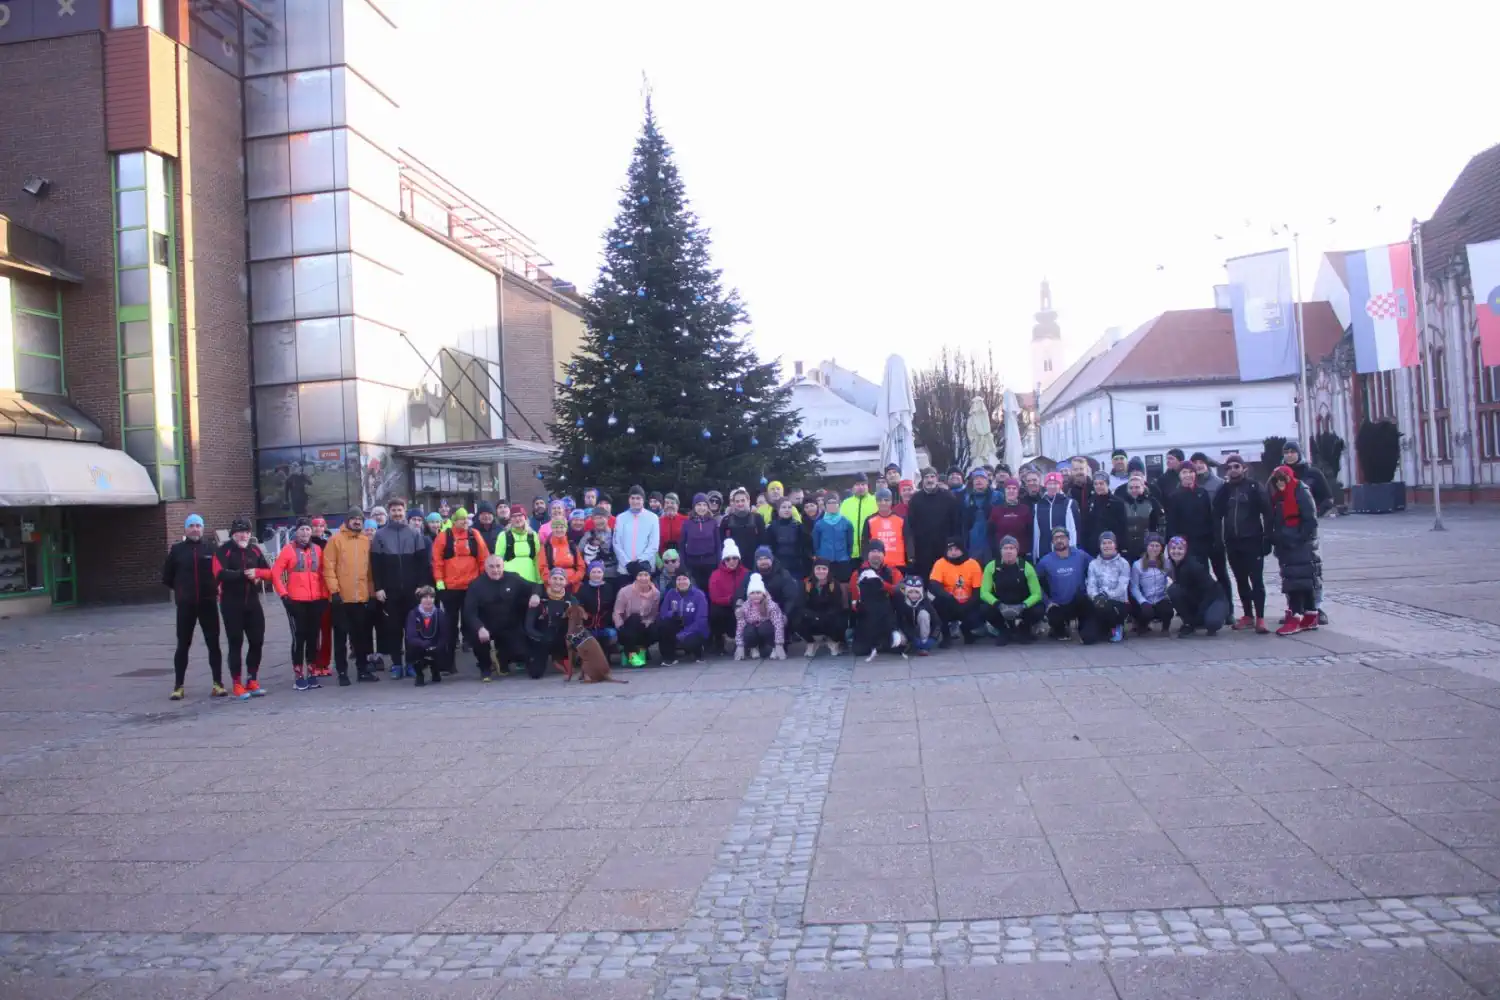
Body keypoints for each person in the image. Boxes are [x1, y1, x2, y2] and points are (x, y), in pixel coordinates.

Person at [163, 514, 225, 700]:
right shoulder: (177, 550)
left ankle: (217, 684)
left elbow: (220, 573)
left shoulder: (211, 548)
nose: (195, 529)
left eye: (198, 525)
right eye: (192, 525)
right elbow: (168, 577)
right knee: (183, 645)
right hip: (186, 605)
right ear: (186, 529)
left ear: (203, 528)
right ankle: (178, 686)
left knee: (213, 644)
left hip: (208, 604)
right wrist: (182, 591)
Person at [1213, 453, 1273, 633]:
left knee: (1256, 580)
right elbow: (1216, 514)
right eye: (1229, 467)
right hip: (1232, 542)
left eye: (1236, 466)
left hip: (1252, 540)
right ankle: (1247, 614)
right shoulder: (1225, 490)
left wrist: (1267, 538)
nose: (1233, 470)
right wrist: (1219, 538)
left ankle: (1260, 617)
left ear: (1244, 468)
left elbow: (1268, 513)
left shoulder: (1254, 487)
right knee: (1240, 580)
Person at [1164, 465, 1230, 625]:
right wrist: (1173, 546)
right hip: (1184, 546)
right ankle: (1190, 616)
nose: (1188, 475)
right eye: (1184, 472)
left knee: (1204, 579)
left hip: (1203, 543)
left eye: (1191, 472)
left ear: (1195, 475)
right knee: (1185, 581)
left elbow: (1210, 518)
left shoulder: (1202, 493)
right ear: (1180, 476)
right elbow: (1171, 523)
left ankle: (1207, 612)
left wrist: (1214, 540)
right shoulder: (1174, 496)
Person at [214, 516, 272, 700]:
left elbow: (269, 571)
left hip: (253, 603)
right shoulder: (224, 551)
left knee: (257, 641)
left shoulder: (254, 549)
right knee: (235, 643)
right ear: (233, 534)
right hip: (231, 604)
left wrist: (258, 574)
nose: (243, 535)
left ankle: (252, 679)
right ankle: (237, 683)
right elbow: (219, 573)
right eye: (239, 532)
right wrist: (243, 575)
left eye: (246, 531)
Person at [371, 497, 427, 680]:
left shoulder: (414, 534)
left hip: (412, 590)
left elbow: (422, 563)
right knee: (393, 629)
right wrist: (378, 588)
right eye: (393, 510)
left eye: (400, 510)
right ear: (389, 512)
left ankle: (411, 663)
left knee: (412, 629)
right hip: (390, 591)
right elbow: (376, 565)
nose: (397, 513)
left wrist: (421, 585)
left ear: (405, 511)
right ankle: (396, 664)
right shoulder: (380, 535)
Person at [271, 518, 329, 691]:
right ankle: (298, 675)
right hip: (295, 601)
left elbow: (324, 573)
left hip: (316, 600)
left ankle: (312, 671)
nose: (305, 533)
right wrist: (284, 595)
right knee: (299, 638)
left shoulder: (317, 550)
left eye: (307, 529)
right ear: (296, 532)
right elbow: (275, 573)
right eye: (302, 529)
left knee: (313, 638)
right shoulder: (288, 550)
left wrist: (325, 596)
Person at [321, 509, 377, 686]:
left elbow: (369, 571)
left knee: (361, 637)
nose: (356, 522)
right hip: (341, 598)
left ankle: (362, 670)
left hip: (360, 597)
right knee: (340, 638)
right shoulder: (335, 540)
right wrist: (334, 591)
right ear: (347, 521)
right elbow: (328, 567)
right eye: (353, 519)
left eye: (359, 519)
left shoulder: (365, 541)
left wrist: (371, 593)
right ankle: (342, 672)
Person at [431, 507, 489, 674]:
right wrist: (439, 581)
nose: (464, 522)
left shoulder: (474, 535)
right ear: (454, 520)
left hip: (471, 587)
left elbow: (483, 558)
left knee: (472, 623)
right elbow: (437, 560)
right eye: (461, 519)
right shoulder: (444, 536)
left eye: (466, 519)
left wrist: (482, 581)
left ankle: (482, 662)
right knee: (449, 626)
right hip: (450, 588)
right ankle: (447, 664)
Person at [1281, 440, 1333, 624]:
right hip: (1287, 530)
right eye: (1286, 452)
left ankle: (1316, 608)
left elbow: (1328, 499)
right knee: (1290, 571)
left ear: (1299, 453)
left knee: (1312, 569)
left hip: (1309, 530)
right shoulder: (1280, 474)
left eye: (1292, 451)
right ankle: (1294, 609)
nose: (1289, 455)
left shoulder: (1312, 474)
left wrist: (1312, 515)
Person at [464, 554, 537, 679]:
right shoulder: (476, 585)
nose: (495, 570)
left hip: (509, 625)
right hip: (486, 626)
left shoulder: (513, 578)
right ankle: (485, 667)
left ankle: (502, 660)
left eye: (498, 566)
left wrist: (535, 595)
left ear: (503, 566)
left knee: (521, 651)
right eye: (491, 567)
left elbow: (535, 586)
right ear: (485, 568)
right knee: (477, 638)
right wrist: (480, 627)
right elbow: (469, 612)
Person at [1269, 464, 1321, 636]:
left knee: (1297, 583)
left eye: (1283, 480)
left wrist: (1296, 539)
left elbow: (1310, 521)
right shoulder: (1279, 497)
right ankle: (1310, 615)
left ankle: (1296, 616)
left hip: (1299, 545)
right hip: (1286, 545)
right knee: (1300, 580)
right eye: (1277, 481)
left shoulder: (1300, 491)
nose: (1280, 484)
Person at [981, 535, 1044, 645]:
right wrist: (999, 605)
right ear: (1000, 551)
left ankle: (1024, 628)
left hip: (1022, 605)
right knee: (984, 608)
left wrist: (1023, 606)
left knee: (1039, 609)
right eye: (1005, 548)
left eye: (1012, 548)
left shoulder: (1027, 567)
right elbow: (984, 593)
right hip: (1001, 605)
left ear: (1017, 551)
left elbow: (1037, 594)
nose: (1008, 551)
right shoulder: (991, 567)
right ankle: (1003, 630)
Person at [849, 540, 903, 660]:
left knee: (898, 648)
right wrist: (858, 607)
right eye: (872, 551)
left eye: (879, 551)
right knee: (859, 650)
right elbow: (853, 597)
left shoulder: (893, 571)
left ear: (884, 554)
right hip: (868, 616)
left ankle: (889, 636)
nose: (875, 554)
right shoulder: (857, 573)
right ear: (867, 555)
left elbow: (901, 590)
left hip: (888, 615)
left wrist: (881, 584)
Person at [907, 467, 964, 578]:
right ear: (922, 480)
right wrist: (912, 551)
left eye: (932, 477)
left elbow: (956, 524)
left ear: (937, 479)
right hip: (922, 550)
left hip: (944, 548)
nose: (930, 480)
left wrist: (953, 546)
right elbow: (910, 526)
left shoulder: (948, 497)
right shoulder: (915, 499)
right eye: (926, 477)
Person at [1165, 535, 1227, 637]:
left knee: (1212, 623)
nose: (1176, 551)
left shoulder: (1193, 566)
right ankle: (1188, 622)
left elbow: (1210, 592)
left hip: (1214, 598)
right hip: (1195, 596)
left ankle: (1205, 618)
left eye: (1180, 548)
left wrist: (1200, 614)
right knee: (1173, 590)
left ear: (1185, 550)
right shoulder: (1171, 564)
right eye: (1173, 548)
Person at [927, 538, 985, 646]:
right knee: (936, 603)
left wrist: (967, 605)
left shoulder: (973, 564)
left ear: (963, 549)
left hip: (968, 602)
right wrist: (949, 598)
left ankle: (967, 631)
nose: (953, 552)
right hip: (949, 602)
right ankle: (946, 636)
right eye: (950, 549)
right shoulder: (940, 563)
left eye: (956, 549)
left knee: (983, 609)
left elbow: (977, 590)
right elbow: (934, 585)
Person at [1037, 526, 1091, 640]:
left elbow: (1096, 567)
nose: (1059, 540)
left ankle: (1084, 628)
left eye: (1062, 537)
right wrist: (1047, 602)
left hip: (1078, 602)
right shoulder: (1045, 561)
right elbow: (1034, 582)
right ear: (1052, 541)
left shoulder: (1081, 555)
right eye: (1056, 538)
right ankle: (1059, 629)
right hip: (1058, 604)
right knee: (1055, 618)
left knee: (1088, 633)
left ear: (1068, 539)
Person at [524, 566, 575, 679]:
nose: (558, 582)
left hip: (561, 639)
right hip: (542, 639)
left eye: (561, 579)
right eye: (555, 578)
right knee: (535, 674)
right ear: (549, 580)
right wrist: (541, 639)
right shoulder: (538, 599)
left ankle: (560, 657)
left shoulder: (570, 600)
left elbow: (577, 624)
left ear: (566, 582)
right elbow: (528, 626)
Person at [1084, 531, 1130, 644]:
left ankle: (1117, 625)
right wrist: (1095, 597)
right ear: (1100, 546)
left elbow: (1122, 587)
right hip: (1098, 602)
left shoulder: (1123, 563)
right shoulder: (1093, 564)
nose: (1107, 546)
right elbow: (1091, 584)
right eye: (1104, 543)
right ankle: (1102, 628)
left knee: (1108, 607)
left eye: (1110, 542)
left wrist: (1106, 595)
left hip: (1117, 603)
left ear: (1115, 545)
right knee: (1087, 638)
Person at [657, 568, 709, 665]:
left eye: (684, 579)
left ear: (690, 580)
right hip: (677, 626)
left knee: (691, 640)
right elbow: (663, 614)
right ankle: (668, 657)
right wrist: (672, 613)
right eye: (679, 579)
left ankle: (698, 653)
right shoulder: (671, 593)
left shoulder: (698, 595)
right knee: (664, 625)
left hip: (694, 628)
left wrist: (683, 634)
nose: (681, 582)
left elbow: (701, 619)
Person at [613, 561, 660, 667]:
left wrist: (649, 621)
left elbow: (654, 613)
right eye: (640, 575)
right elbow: (617, 612)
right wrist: (620, 626)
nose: (643, 578)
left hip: (644, 625)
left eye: (646, 575)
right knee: (635, 618)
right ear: (635, 577)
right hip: (628, 626)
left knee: (656, 629)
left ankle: (642, 648)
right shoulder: (624, 591)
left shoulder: (656, 593)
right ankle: (630, 652)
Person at [801, 559, 848, 657]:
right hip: (812, 616)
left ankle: (833, 641)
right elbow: (802, 604)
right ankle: (811, 642)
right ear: (813, 570)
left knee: (841, 620)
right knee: (797, 619)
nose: (821, 571)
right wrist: (814, 616)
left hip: (829, 616)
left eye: (824, 569)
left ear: (828, 570)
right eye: (818, 568)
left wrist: (823, 617)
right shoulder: (807, 583)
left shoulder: (834, 584)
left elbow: (837, 605)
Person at [734, 573, 787, 660]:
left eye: (758, 593)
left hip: (767, 627)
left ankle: (774, 647)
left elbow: (778, 625)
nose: (755, 595)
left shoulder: (771, 606)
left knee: (765, 628)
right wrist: (739, 645)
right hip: (753, 629)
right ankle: (753, 647)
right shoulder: (745, 607)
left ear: (763, 594)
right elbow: (740, 626)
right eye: (752, 593)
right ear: (749, 595)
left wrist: (779, 644)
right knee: (748, 631)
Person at [708, 540, 748, 654]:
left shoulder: (746, 573)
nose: (732, 561)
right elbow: (714, 597)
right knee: (714, 612)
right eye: (728, 559)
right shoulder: (716, 575)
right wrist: (730, 599)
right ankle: (719, 640)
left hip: (742, 606)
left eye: (734, 558)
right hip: (724, 606)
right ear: (723, 560)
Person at [1129, 533, 1174, 634]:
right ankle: (1142, 625)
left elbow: (1172, 579)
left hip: (1160, 598)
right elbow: (1134, 587)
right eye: (1151, 545)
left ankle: (1165, 627)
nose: (1154, 548)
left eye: (1157, 546)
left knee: (1167, 610)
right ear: (1147, 547)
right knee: (1145, 612)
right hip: (1145, 599)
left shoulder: (1167, 563)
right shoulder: (1137, 565)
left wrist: (1168, 594)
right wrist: (1142, 601)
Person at [1031, 472, 1079, 562]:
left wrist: (1073, 551)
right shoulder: (1038, 505)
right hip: (1044, 552)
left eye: (1056, 483)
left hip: (1064, 551)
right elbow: (1036, 532)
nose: (1052, 486)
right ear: (1045, 485)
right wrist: (1035, 554)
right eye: (1050, 483)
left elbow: (1074, 530)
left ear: (1060, 485)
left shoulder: (1069, 503)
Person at [404, 585, 445, 687]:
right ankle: (419, 675)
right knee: (412, 649)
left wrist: (437, 647)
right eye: (425, 597)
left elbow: (444, 635)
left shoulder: (439, 614)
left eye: (431, 597)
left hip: (435, 645)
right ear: (420, 599)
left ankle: (436, 670)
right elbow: (411, 636)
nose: (428, 600)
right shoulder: (413, 614)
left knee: (442, 649)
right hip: (420, 646)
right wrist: (424, 644)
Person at [861, 489, 910, 572]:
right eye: (879, 500)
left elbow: (908, 540)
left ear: (891, 501)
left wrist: (910, 558)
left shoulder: (901, 519)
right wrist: (866, 560)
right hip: (876, 565)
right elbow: (864, 543)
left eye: (886, 500)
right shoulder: (869, 520)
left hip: (898, 565)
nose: (883, 503)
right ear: (876, 502)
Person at [614, 485, 661, 571]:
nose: (635, 501)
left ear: (643, 500)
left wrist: (641, 561)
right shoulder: (620, 518)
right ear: (629, 499)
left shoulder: (652, 518)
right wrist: (627, 563)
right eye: (632, 498)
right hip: (625, 568)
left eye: (638, 498)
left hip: (645, 568)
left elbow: (653, 544)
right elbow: (617, 543)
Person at [681, 493, 721, 593]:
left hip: (710, 563)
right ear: (694, 507)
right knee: (695, 592)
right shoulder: (687, 523)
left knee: (711, 591)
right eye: (699, 505)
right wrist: (683, 565)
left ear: (708, 507)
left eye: (704, 505)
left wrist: (719, 563)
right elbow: (682, 545)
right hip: (693, 564)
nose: (701, 508)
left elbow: (718, 544)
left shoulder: (713, 522)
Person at [986, 479, 1033, 563]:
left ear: (1018, 491)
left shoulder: (1025, 509)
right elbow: (990, 533)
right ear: (1004, 491)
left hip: (1021, 555)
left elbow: (1029, 533)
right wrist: (995, 550)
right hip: (1001, 555)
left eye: (1014, 488)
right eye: (1008, 488)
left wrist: (1027, 550)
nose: (1011, 491)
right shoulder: (996, 510)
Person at [1117, 475, 1162, 563]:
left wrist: (1158, 543)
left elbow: (1161, 523)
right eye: (1131, 488)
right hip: (1127, 547)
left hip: (1146, 547)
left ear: (1143, 487)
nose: (1134, 490)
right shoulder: (1121, 504)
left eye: (1137, 487)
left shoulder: (1152, 502)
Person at [576, 561, 618, 654]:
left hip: (604, 625)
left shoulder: (609, 587)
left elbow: (612, 606)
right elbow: (578, 605)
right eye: (593, 572)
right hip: (587, 626)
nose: (596, 575)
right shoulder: (583, 588)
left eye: (599, 572)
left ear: (603, 573)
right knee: (580, 637)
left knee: (612, 634)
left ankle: (606, 654)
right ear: (589, 574)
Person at [813, 493, 856, 584]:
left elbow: (850, 542)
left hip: (843, 560)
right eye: (829, 503)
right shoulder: (819, 524)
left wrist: (847, 555)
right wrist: (820, 556)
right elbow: (816, 544)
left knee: (843, 586)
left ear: (839, 504)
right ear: (825, 506)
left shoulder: (846, 522)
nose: (832, 505)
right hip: (825, 561)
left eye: (834, 502)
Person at [1081, 471, 1126, 557]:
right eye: (1096, 484)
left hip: (1111, 548)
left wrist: (1121, 547)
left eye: (1101, 483)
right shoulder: (1089, 502)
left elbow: (1122, 527)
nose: (1098, 486)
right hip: (1093, 548)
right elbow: (1085, 527)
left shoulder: (1118, 502)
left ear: (1107, 484)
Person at [538, 508, 585, 591]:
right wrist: (553, 583)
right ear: (552, 529)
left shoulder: (572, 546)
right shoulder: (546, 547)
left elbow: (581, 568)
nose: (559, 530)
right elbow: (542, 568)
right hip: (553, 588)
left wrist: (571, 581)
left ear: (566, 528)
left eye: (561, 527)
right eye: (556, 527)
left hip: (572, 587)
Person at [495, 507, 542, 585]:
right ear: (510, 519)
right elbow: (498, 559)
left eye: (520, 515)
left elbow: (537, 559)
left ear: (525, 518)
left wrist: (539, 580)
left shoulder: (533, 535)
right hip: (510, 580)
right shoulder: (503, 535)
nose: (517, 519)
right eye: (514, 516)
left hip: (530, 578)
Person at [896, 575, 941, 655]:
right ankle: (909, 643)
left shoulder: (926, 601)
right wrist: (913, 638)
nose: (914, 595)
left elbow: (937, 622)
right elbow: (901, 623)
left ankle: (924, 645)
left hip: (921, 627)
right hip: (905, 629)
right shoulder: (900, 601)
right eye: (910, 592)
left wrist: (933, 638)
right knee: (901, 641)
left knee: (924, 614)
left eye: (917, 592)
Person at [765, 498, 808, 578]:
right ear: (778, 510)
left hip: (796, 566)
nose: (787, 510)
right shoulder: (771, 526)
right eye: (784, 507)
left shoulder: (798, 526)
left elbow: (803, 547)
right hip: (777, 566)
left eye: (789, 507)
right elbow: (768, 547)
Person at [962, 468, 997, 567]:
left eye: (982, 478)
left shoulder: (997, 497)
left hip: (991, 545)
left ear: (987, 481)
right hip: (972, 545)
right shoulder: (966, 499)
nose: (978, 480)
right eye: (976, 478)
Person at [839, 476, 879, 558]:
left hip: (871, 552)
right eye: (857, 485)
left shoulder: (876, 501)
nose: (860, 487)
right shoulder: (846, 503)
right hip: (850, 552)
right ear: (853, 487)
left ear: (868, 486)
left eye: (863, 484)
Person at [579, 511, 616, 583]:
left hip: (611, 574)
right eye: (596, 519)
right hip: (592, 573)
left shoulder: (615, 533)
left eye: (601, 518)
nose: (598, 521)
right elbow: (579, 551)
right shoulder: (589, 534)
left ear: (608, 518)